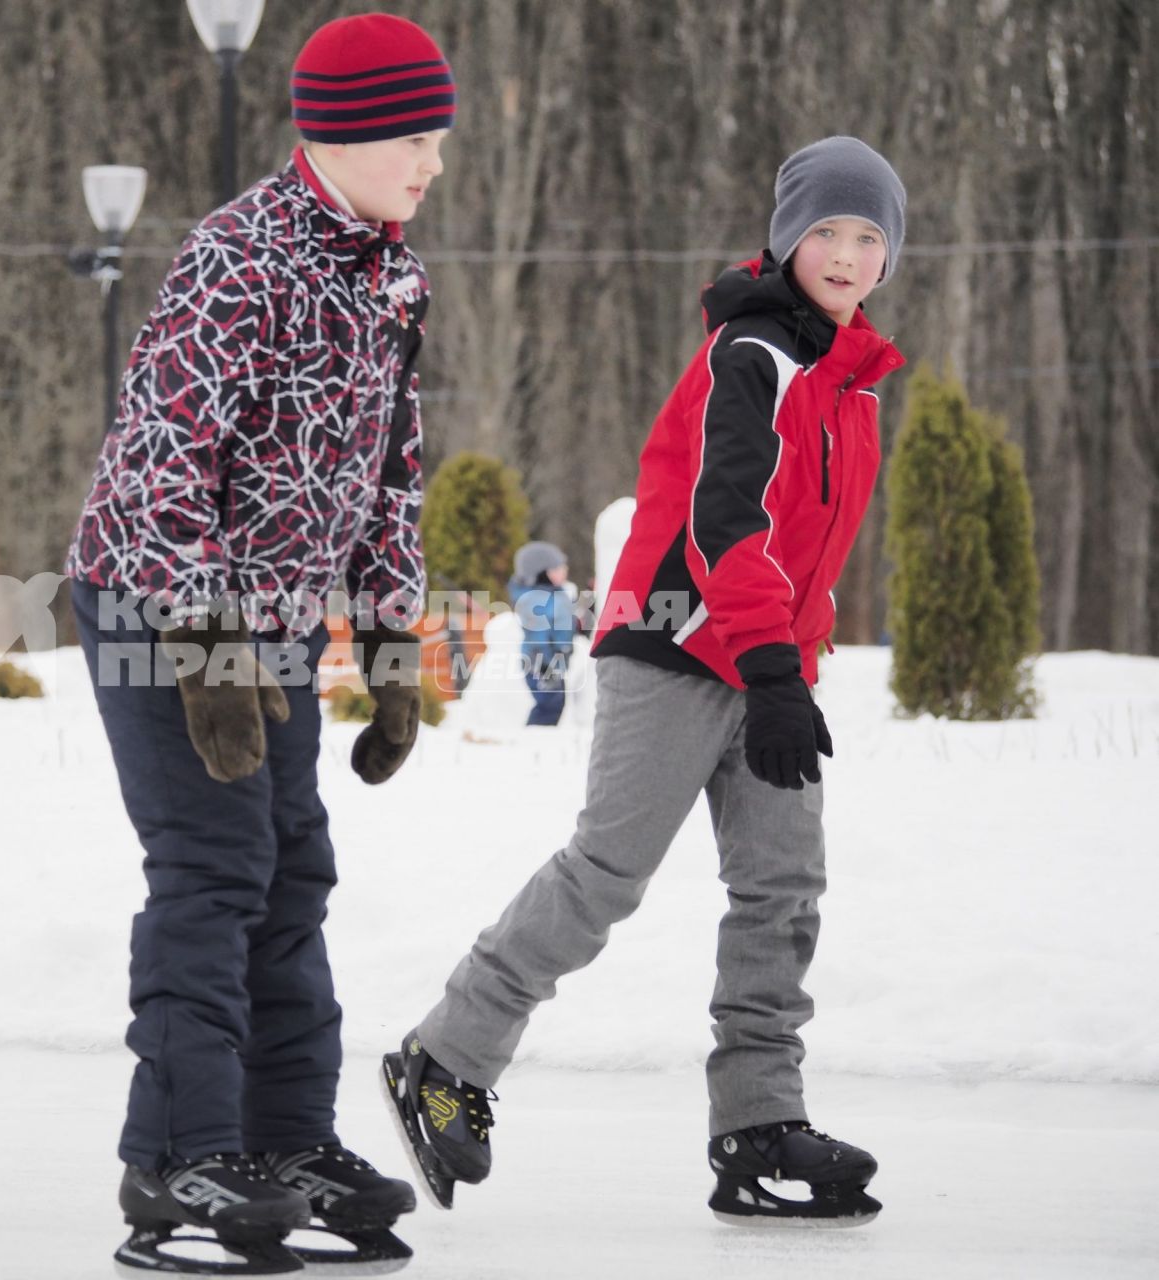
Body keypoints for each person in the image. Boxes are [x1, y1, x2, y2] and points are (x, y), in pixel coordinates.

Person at [382, 136, 907, 1227]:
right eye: (828, 232)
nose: (848, 254)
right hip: (675, 644)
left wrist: (794, 659)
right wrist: (771, 664)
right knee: (609, 869)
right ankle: (445, 1055)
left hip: (769, 664)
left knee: (782, 890)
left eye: (870, 236)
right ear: (786, 238)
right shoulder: (753, 352)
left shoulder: (848, 380)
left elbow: (806, 544)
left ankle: (758, 1124)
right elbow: (727, 523)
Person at [65, 13, 454, 1274]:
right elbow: (161, 463)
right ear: (339, 133)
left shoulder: (395, 274)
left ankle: (283, 1141)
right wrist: (204, 641)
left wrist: (393, 637)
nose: (432, 161)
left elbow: (389, 479)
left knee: (292, 873)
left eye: (437, 136)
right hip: (158, 601)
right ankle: (175, 1155)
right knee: (215, 867)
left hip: (274, 619)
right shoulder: (237, 257)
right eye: (414, 136)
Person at [508, 541, 576, 726]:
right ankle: (535, 739)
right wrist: (544, 664)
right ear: (541, 573)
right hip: (540, 662)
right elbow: (536, 633)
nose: (564, 571)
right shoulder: (535, 599)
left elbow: (564, 625)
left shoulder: (557, 595)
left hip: (554, 661)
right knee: (548, 705)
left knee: (556, 703)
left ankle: (542, 739)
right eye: (557, 568)